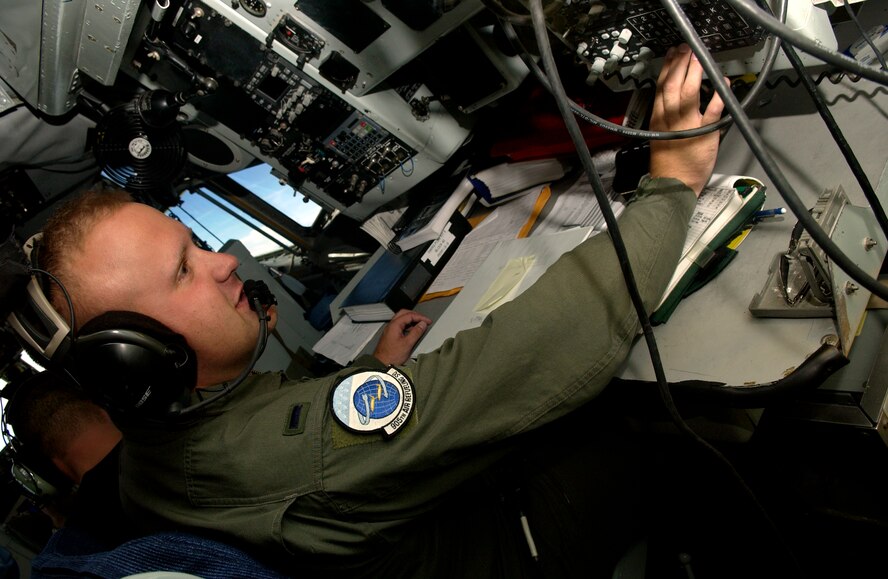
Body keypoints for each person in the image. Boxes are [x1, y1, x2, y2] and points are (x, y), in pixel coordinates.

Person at [28, 45, 724, 576]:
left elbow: (299, 446)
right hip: (512, 542)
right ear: (137, 358)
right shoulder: (275, 455)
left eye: (196, 246)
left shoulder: (151, 458)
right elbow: (524, 356)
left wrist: (372, 366)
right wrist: (672, 187)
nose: (226, 262)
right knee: (650, 415)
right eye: (184, 270)